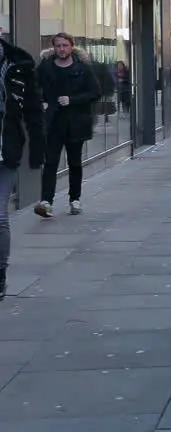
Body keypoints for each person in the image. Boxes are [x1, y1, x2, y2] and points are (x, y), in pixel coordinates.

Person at [35, 32, 101, 218]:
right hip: (53, 122)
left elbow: (95, 92)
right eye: (58, 46)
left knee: (74, 163)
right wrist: (42, 101)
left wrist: (72, 100)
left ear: (71, 46)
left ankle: (75, 200)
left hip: (76, 122)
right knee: (50, 162)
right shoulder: (45, 67)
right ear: (53, 48)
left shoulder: (83, 69)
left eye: (65, 45)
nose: (61, 49)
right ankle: (46, 202)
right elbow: (34, 88)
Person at [0, 33, 45, 299]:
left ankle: (0, 275)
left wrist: (37, 151)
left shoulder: (19, 64)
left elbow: (33, 110)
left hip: (5, 151)